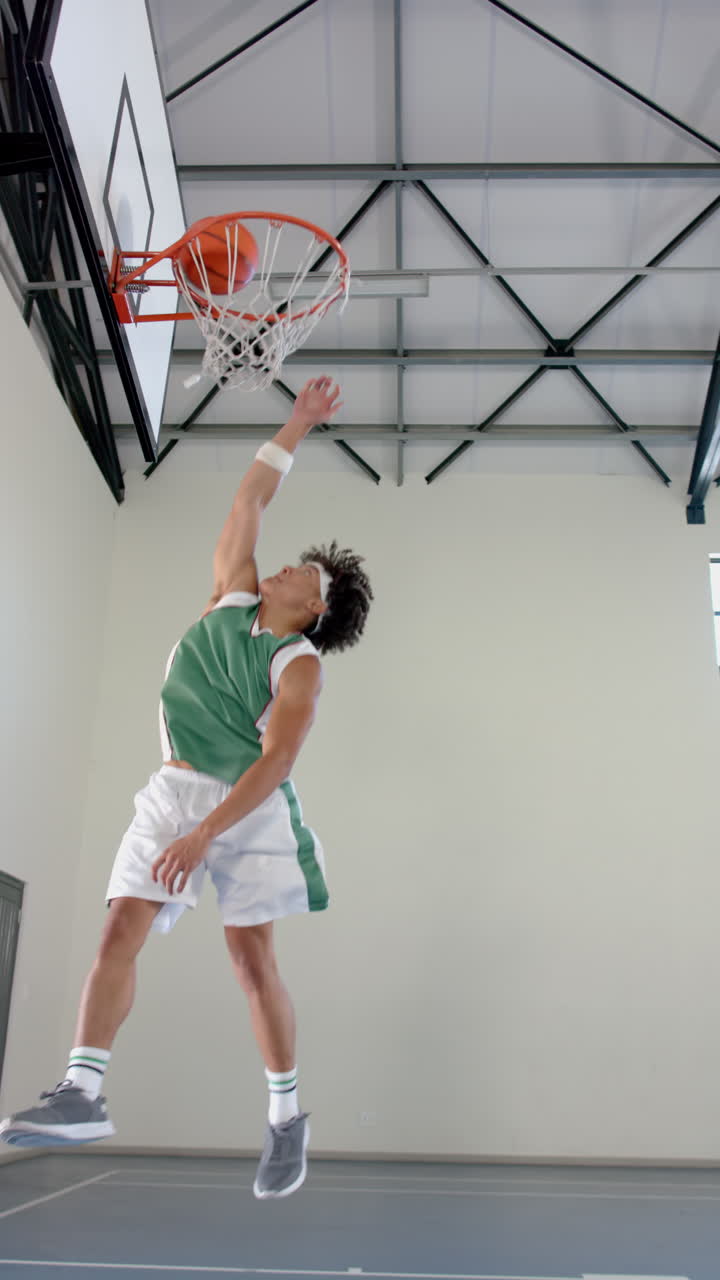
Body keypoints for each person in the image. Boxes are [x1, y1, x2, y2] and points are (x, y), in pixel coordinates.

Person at [0, 377, 373, 1200]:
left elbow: (275, 764)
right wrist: (300, 421)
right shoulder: (228, 597)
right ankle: (82, 1092)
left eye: (300, 573)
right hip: (171, 791)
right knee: (117, 932)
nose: (281, 565)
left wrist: (206, 835)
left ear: (313, 607)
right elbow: (251, 496)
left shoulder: (297, 665)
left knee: (249, 960)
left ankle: (285, 1120)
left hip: (247, 805)